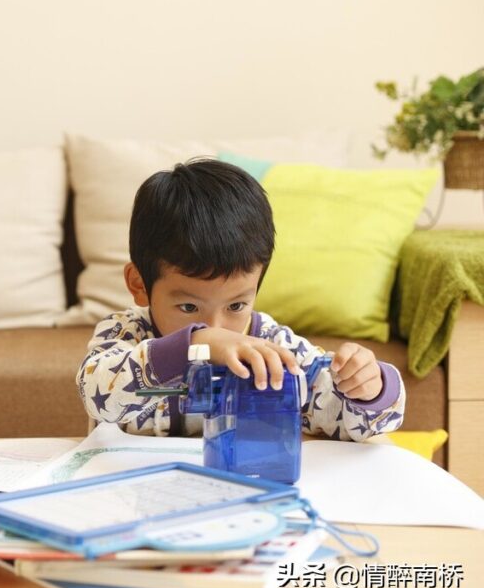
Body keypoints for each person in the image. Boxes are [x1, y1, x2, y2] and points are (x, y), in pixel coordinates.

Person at [77, 158, 405, 440]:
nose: (217, 327)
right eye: (189, 307)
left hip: (236, 498)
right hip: (134, 498)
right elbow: (96, 393)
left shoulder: (270, 346)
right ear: (139, 284)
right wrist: (196, 345)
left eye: (236, 305)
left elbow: (351, 422)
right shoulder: (125, 334)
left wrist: (369, 388)